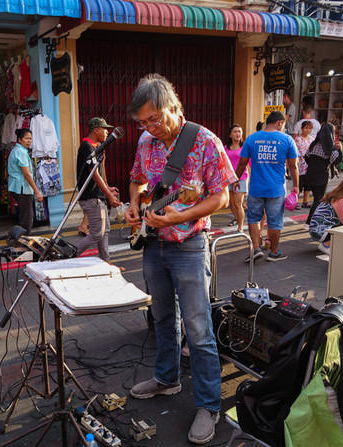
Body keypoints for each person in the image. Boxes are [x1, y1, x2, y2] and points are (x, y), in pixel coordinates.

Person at [124, 74, 235, 445]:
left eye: (154, 119)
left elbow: (219, 198)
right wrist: (135, 204)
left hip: (188, 245)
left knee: (198, 327)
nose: (149, 128)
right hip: (153, 243)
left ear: (174, 106)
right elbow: (137, 180)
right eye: (142, 122)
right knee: (161, 317)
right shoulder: (145, 141)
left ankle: (209, 405)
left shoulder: (205, 141)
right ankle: (167, 379)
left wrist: (178, 216)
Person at [235, 111, 299, 262]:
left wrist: (236, 179)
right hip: (276, 189)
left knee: (253, 219)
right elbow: (293, 166)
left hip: (256, 188)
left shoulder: (252, 138)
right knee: (275, 221)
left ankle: (256, 249)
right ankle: (274, 252)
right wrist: (296, 185)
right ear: (279, 123)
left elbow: (242, 163)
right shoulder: (287, 140)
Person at [75, 117, 121, 261]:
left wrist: (107, 188)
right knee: (97, 233)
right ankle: (67, 256)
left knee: (105, 231)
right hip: (91, 197)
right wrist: (109, 195)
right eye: (104, 129)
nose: (107, 132)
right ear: (96, 130)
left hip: (98, 196)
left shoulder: (96, 148)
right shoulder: (86, 148)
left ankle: (106, 262)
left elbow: (101, 171)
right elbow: (94, 174)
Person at [309, 174, 343, 254]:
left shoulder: (338, 196)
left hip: (319, 229)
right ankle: (326, 245)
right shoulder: (341, 200)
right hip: (320, 230)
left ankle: (330, 243)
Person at [304, 123, 343, 226]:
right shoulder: (330, 147)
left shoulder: (314, 144)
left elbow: (306, 156)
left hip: (310, 175)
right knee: (318, 200)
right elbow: (336, 160)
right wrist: (340, 149)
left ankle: (311, 222)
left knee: (317, 199)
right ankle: (309, 223)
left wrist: (313, 166)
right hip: (321, 177)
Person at [7, 128, 43, 235]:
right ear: (19, 140)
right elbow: (27, 174)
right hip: (22, 188)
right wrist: (37, 191)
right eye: (26, 138)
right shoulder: (21, 152)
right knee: (27, 217)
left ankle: (19, 239)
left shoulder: (17, 150)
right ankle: (23, 240)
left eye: (30, 139)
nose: (29, 141)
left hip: (17, 187)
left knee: (24, 215)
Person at [225, 124, 247, 231]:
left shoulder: (245, 148)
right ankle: (236, 218)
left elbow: (250, 164)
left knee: (238, 203)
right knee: (231, 203)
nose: (237, 134)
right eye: (235, 132)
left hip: (241, 178)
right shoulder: (225, 148)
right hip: (229, 179)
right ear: (230, 135)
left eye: (239, 131)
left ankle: (240, 227)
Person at [294, 120, 315, 209]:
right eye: (306, 128)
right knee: (299, 184)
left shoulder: (312, 139)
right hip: (300, 165)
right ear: (302, 129)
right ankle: (295, 202)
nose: (307, 130)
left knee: (308, 184)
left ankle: (305, 201)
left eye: (309, 128)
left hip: (309, 165)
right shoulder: (297, 139)